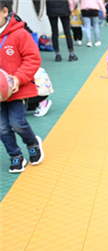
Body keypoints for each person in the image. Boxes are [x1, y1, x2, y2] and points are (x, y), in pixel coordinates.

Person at [0, 0, 44, 173]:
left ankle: (32, 143)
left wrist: (18, 79)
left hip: (16, 90)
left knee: (17, 123)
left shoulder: (20, 34)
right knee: (2, 127)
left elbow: (32, 59)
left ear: (4, 12)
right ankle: (15, 155)